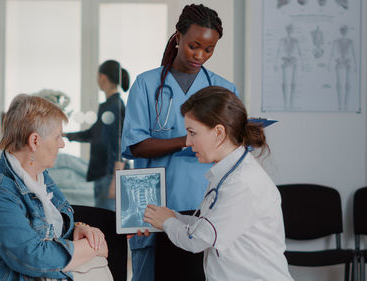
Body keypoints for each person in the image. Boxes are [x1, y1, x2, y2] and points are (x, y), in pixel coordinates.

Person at [120, 4, 238, 281]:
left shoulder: (224, 90)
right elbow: (135, 146)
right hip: (150, 199)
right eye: (193, 46)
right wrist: (188, 140)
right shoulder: (146, 84)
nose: (199, 55)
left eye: (208, 50)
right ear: (178, 37)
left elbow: (231, 149)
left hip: (201, 201)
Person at [143, 86, 294, 281]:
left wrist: (167, 221)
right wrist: (173, 217)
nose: (188, 142)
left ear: (219, 133)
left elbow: (195, 240)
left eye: (192, 132)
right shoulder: (227, 173)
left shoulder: (242, 183)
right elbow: (207, 227)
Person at [0, 94, 109, 281]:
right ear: (35, 141)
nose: (62, 144)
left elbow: (51, 233)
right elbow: (34, 258)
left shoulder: (41, 177)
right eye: (58, 137)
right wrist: (90, 247)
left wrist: (79, 229)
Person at [65, 60, 129, 211]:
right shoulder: (108, 106)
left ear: (102, 77)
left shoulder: (115, 106)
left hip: (109, 175)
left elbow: (120, 143)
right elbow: (93, 134)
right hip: (103, 174)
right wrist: (64, 134)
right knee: (105, 218)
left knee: (107, 220)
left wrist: (116, 179)